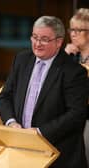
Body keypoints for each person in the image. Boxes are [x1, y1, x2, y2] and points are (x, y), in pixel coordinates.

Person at [0, 16, 88, 168]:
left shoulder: (73, 72)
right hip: (21, 150)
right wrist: (11, 122)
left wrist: (39, 133)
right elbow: (5, 96)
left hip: (58, 155)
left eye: (44, 39)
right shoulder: (21, 59)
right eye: (34, 37)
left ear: (58, 42)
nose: (37, 44)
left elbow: (76, 114)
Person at [65, 8, 89, 167]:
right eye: (71, 29)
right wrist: (63, 57)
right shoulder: (72, 55)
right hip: (73, 112)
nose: (72, 34)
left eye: (78, 30)